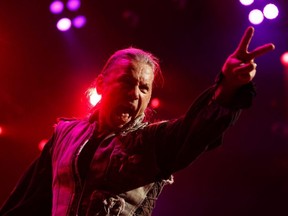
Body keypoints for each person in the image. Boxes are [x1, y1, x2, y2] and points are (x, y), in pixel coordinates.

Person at [0, 26, 274, 216]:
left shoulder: (150, 142)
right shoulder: (65, 135)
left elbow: (196, 129)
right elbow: (29, 201)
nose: (134, 94)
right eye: (126, 82)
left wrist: (228, 87)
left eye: (144, 88)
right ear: (101, 84)